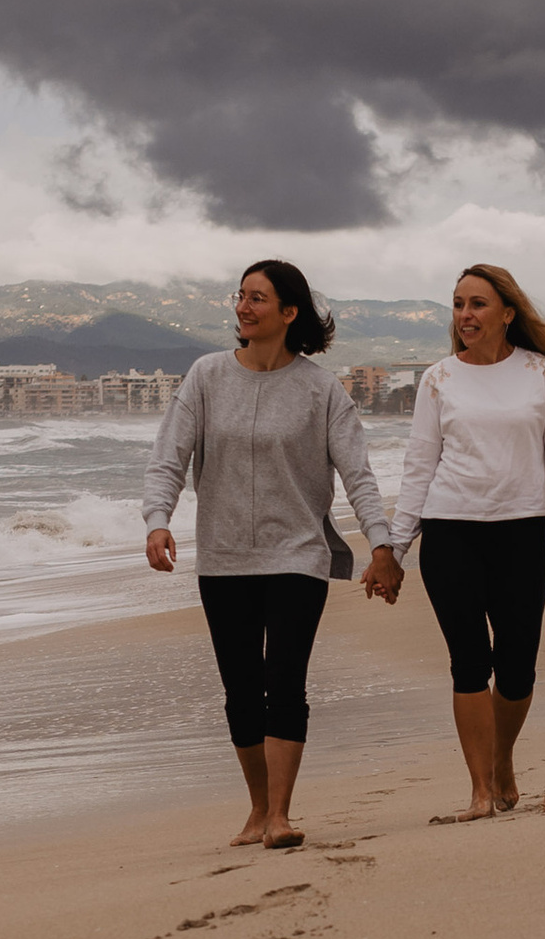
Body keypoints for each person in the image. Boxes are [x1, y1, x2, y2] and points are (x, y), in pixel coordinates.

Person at [143, 261, 400, 848]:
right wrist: (157, 520)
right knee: (240, 688)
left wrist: (380, 545)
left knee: (284, 681)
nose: (243, 307)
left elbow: (359, 476)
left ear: (289, 313)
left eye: (257, 298)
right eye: (241, 296)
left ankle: (280, 814)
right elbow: (169, 458)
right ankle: (257, 809)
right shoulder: (206, 377)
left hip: (298, 555)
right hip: (225, 556)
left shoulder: (320, 389)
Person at [388, 265, 545, 819]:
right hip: (450, 532)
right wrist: (395, 549)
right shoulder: (438, 379)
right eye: (457, 305)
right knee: (469, 663)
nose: (465, 315)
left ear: (507, 313)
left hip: (521, 531)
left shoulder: (542, 374)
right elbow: (419, 466)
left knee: (518, 668)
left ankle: (501, 760)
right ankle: (479, 791)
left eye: (477, 304)